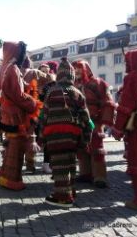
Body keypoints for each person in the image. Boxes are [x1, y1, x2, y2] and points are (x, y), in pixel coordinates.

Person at [40, 57, 93, 207]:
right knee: (70, 163)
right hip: (72, 135)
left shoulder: (51, 92)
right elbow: (86, 118)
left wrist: (42, 136)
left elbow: (44, 115)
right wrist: (86, 138)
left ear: (59, 75)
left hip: (54, 134)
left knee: (59, 165)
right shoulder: (78, 93)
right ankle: (71, 191)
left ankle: (62, 197)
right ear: (71, 75)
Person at [0, 39, 36, 191]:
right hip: (15, 114)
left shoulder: (5, 67)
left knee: (11, 143)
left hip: (7, 113)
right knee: (16, 146)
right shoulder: (13, 69)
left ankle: (4, 173)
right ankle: (11, 179)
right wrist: (32, 103)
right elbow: (17, 94)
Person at [72, 59, 116, 188]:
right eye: (74, 68)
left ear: (86, 68)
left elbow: (108, 102)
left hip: (94, 121)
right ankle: (85, 174)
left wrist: (104, 120)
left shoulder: (98, 83)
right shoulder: (73, 85)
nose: (76, 70)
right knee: (81, 149)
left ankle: (99, 177)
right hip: (78, 122)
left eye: (79, 67)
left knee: (96, 149)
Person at [112, 48, 137, 210]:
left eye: (127, 61)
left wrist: (117, 129)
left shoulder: (133, 77)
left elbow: (126, 107)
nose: (126, 64)